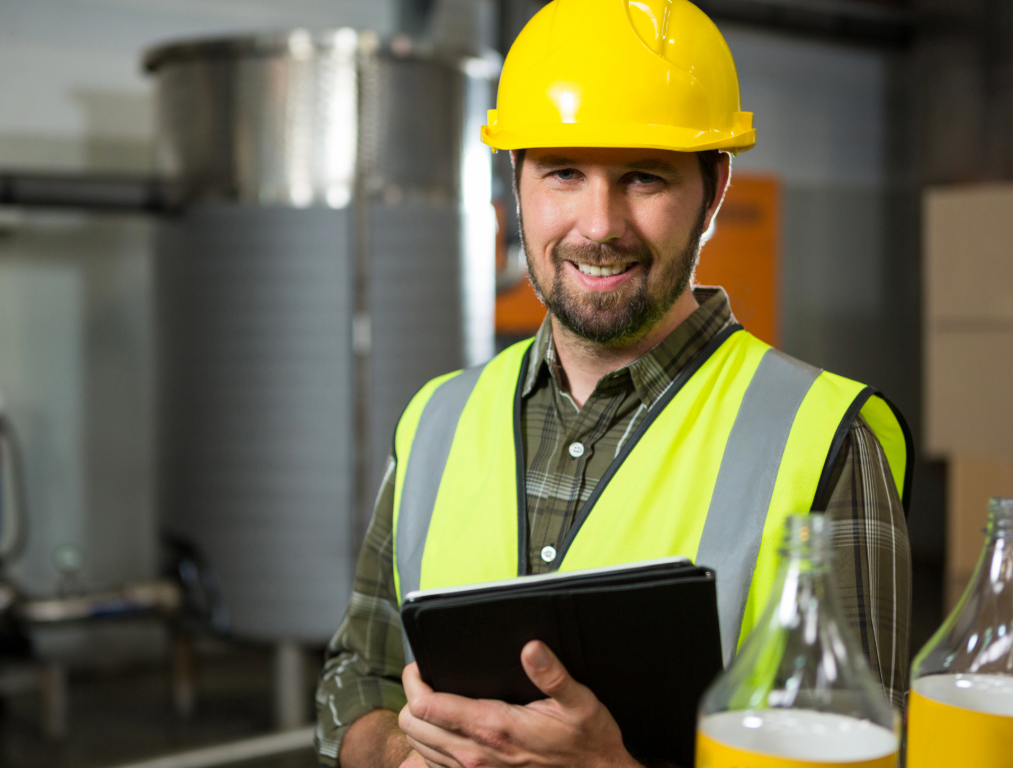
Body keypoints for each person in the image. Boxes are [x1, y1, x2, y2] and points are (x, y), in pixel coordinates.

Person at [316, 1, 913, 766]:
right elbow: (355, 682)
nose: (599, 225)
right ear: (518, 182)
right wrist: (404, 753)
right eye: (564, 172)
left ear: (715, 188)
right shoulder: (436, 421)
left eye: (643, 176)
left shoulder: (824, 439)